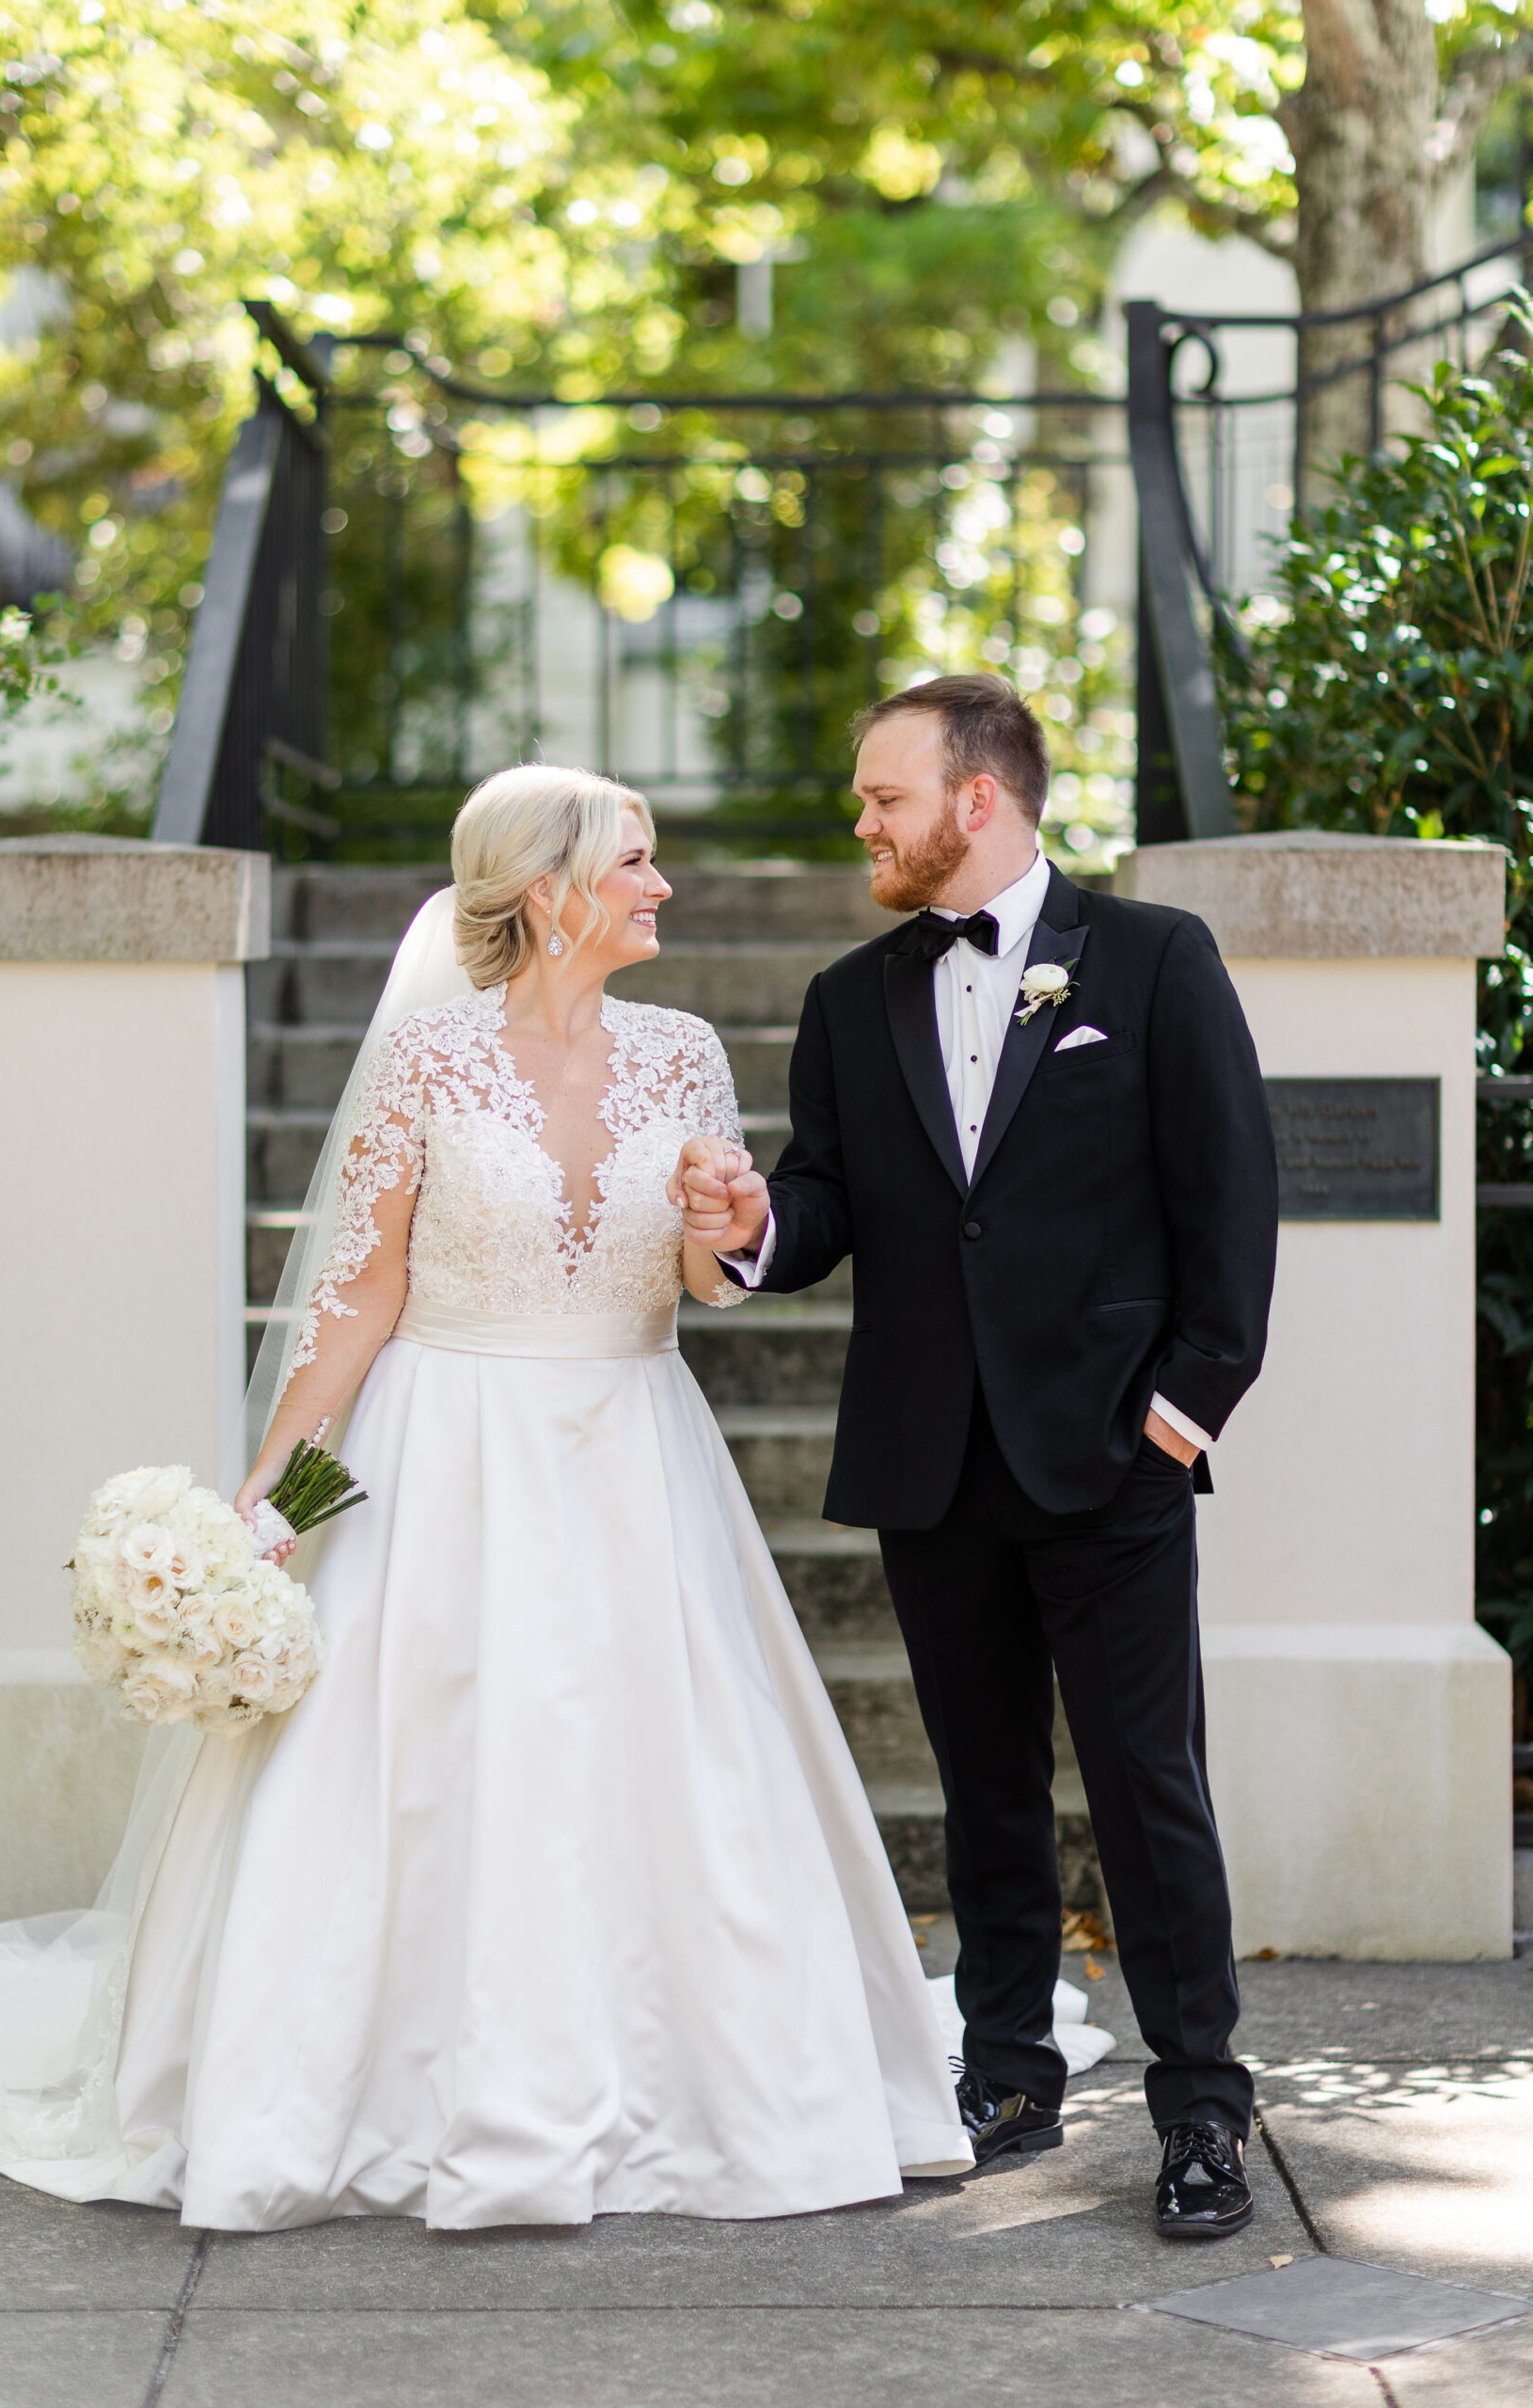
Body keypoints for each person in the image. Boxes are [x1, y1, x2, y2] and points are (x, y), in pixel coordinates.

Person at [0, 764, 976, 2228]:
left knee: (675, 1764)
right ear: (550, 891)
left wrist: (723, 1226)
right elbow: (353, 1308)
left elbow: (697, 1280)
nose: (661, 888)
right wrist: (268, 1508)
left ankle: (709, 2089)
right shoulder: (425, 1063)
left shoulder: (680, 1051)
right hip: (441, 1450)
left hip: (630, 1446)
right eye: (636, 864)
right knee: (408, 1773)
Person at [678, 675, 1278, 2241]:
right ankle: (1005, 2070)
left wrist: (1182, 1413)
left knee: (1150, 1790)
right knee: (984, 1786)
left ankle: (1203, 2103)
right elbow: (823, 1211)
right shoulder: (847, 998)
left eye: (884, 796)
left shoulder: (1151, 960)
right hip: (929, 1460)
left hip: (1112, 1458)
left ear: (980, 799)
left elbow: (1231, 1204)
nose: (863, 822)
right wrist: (753, 1230)